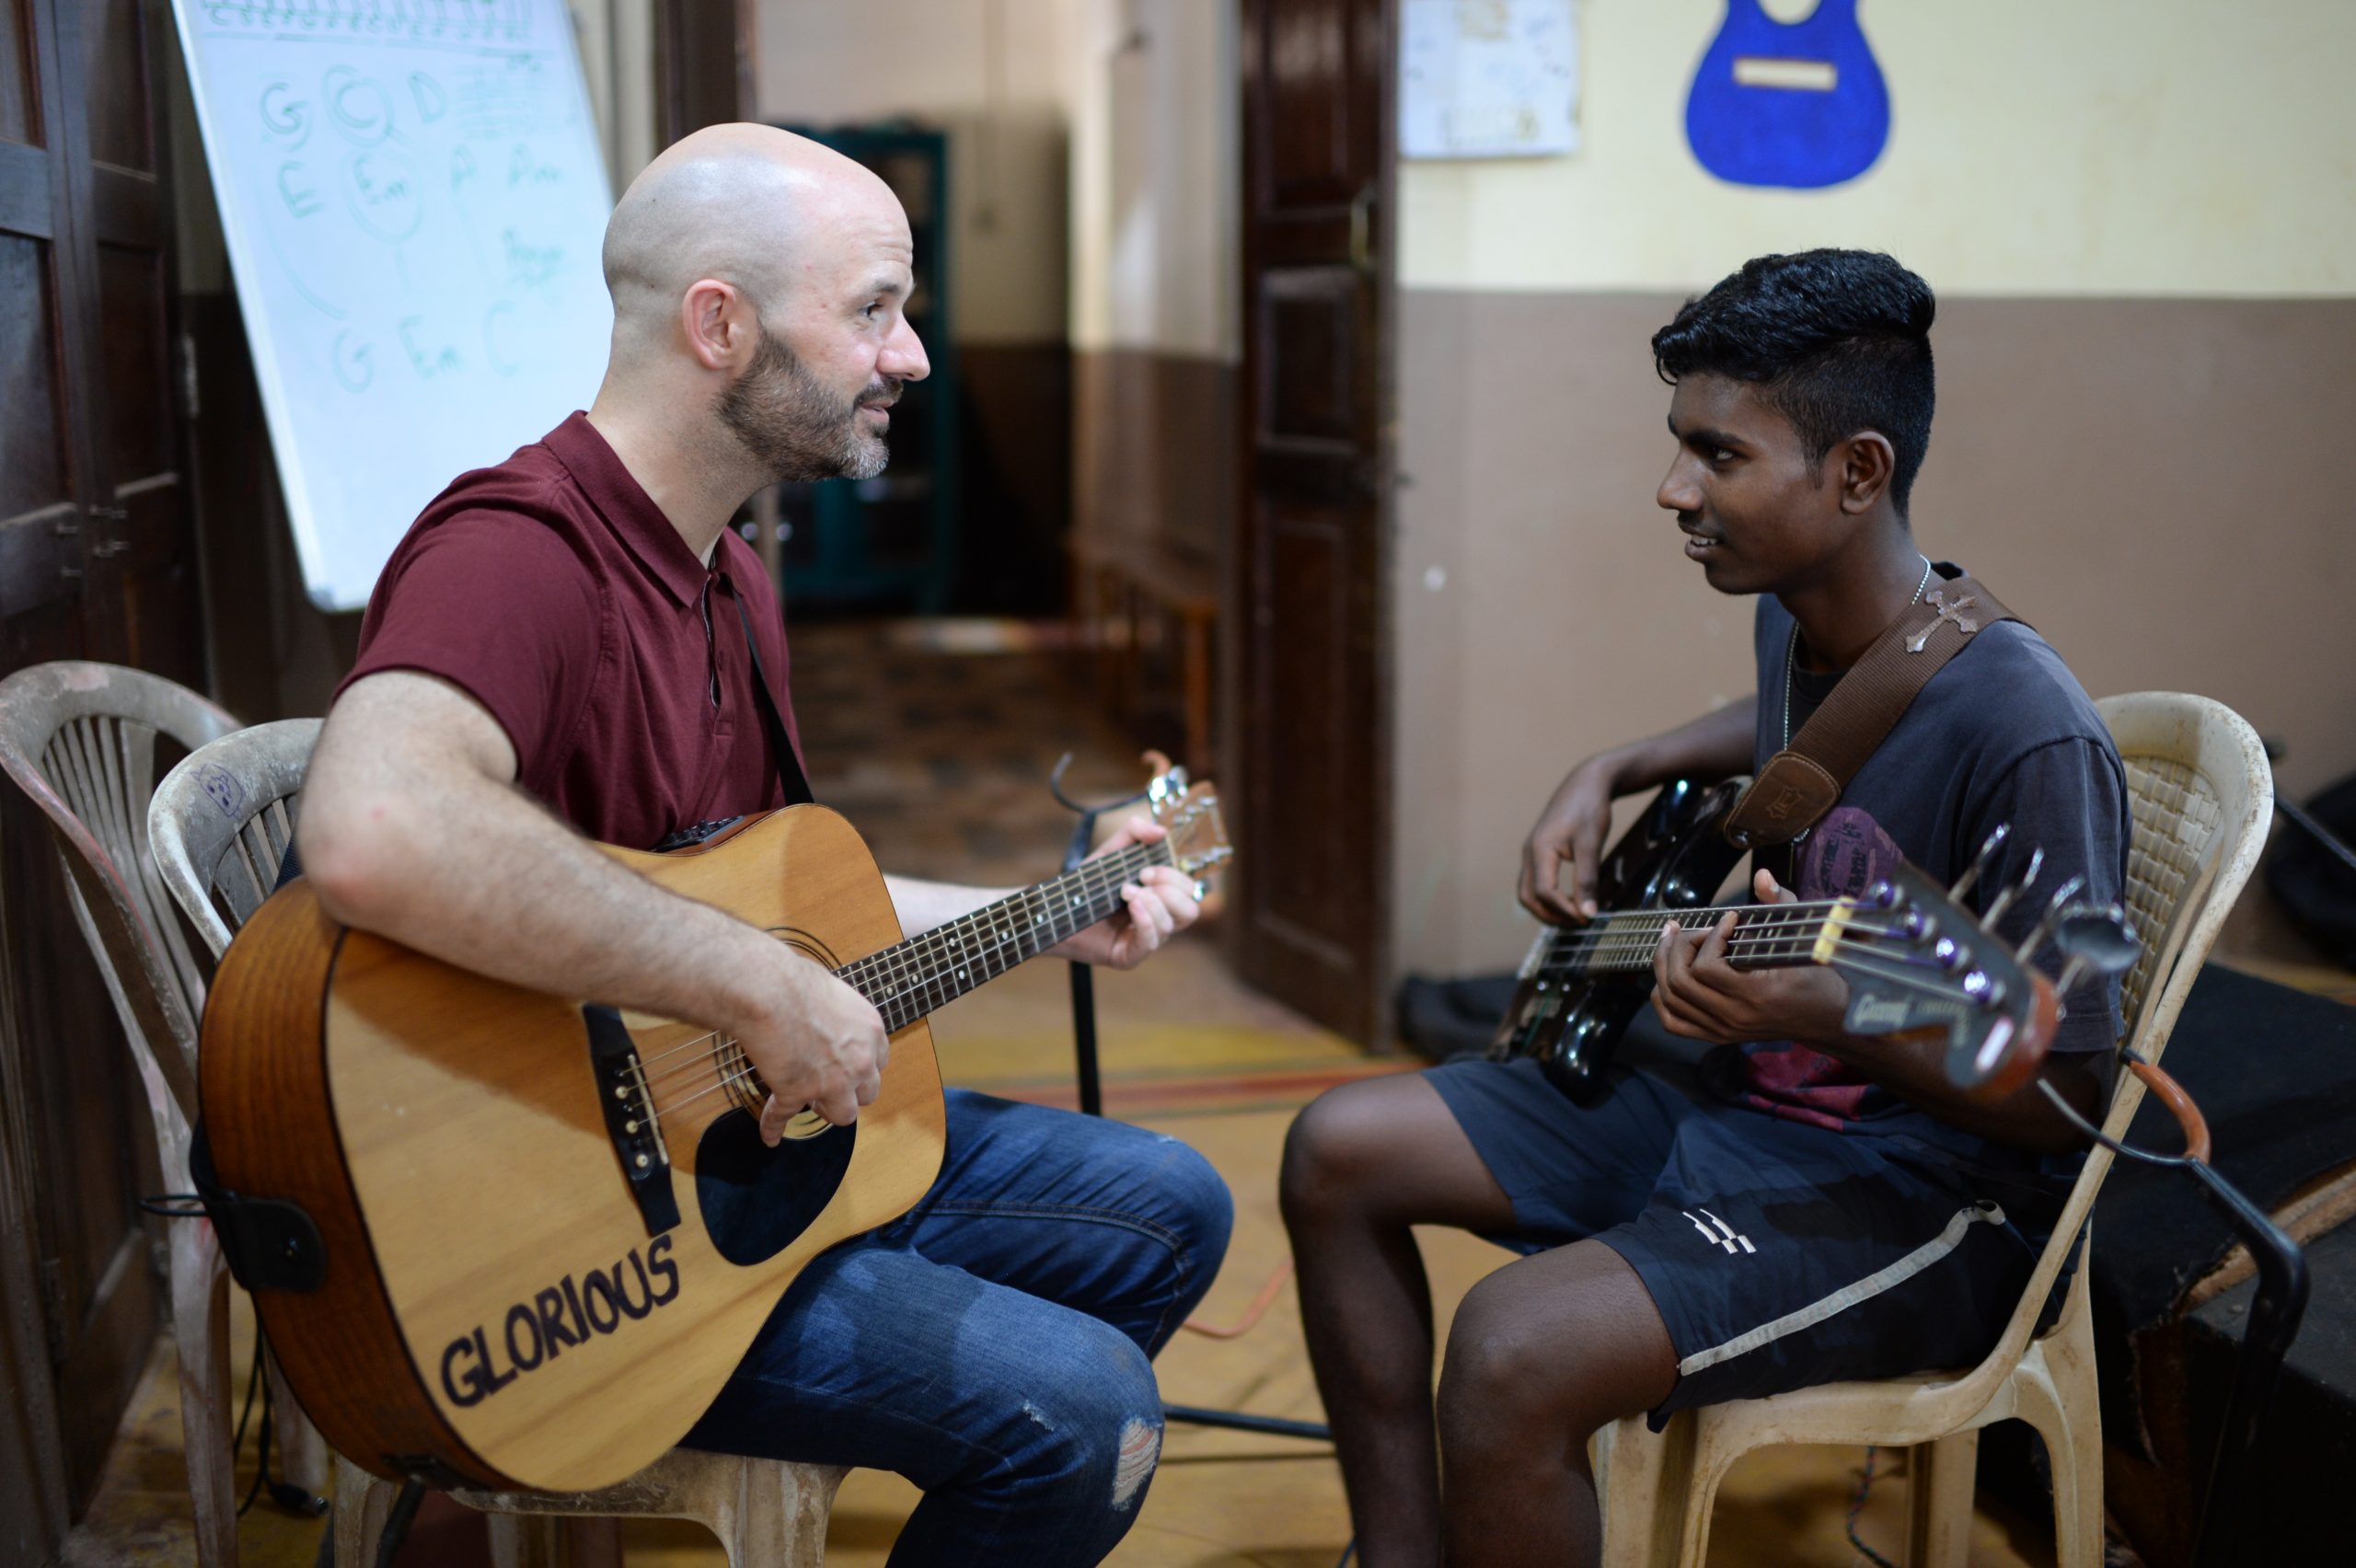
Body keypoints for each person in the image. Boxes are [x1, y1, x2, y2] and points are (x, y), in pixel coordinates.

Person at [296, 124, 1232, 1566]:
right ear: (719, 326)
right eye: (873, 308)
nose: (911, 353)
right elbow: (373, 827)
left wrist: (1047, 908)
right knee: (1078, 1409)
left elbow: (786, 908)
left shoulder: (729, 569)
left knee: (1169, 1209)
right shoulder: (516, 553)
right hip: (572, 1234)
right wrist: (746, 983)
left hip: (727, 1154)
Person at [1280, 249, 2128, 1567]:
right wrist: (1614, 764)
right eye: (1679, 446)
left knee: (1510, 1347)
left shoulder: (2027, 728)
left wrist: (1836, 1017)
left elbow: (2069, 1091)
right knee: (1338, 1147)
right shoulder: (1805, 623)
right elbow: (1800, 731)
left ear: (1855, 473)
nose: (1674, 489)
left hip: (1928, 1192)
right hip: (1738, 1099)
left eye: (1717, 457)